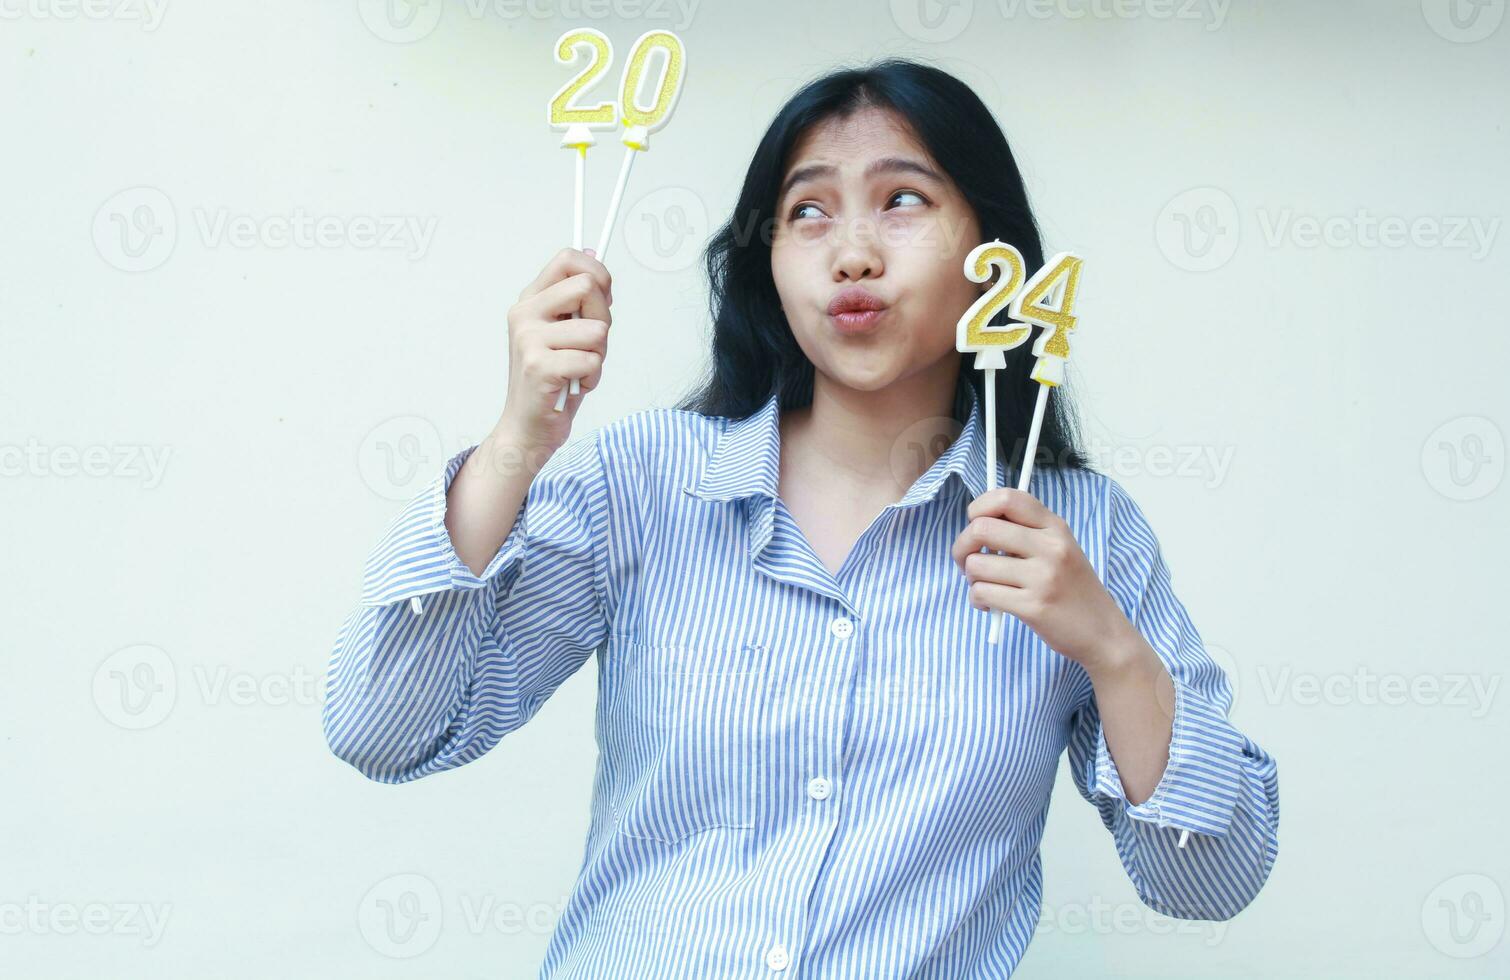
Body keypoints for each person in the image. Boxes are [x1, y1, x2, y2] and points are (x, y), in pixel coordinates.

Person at [323, 58, 1279, 977]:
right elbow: (384, 729)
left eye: (903, 200)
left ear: (994, 259)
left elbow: (1209, 877)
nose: (852, 253)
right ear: (768, 264)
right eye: (807, 212)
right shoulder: (648, 482)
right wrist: (516, 441)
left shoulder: (1079, 533)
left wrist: (1112, 649)